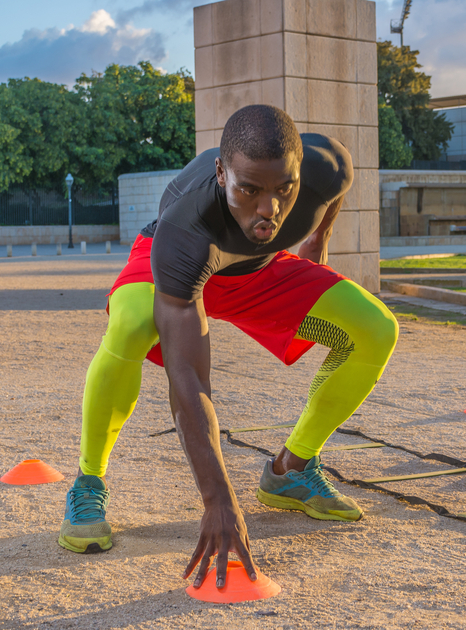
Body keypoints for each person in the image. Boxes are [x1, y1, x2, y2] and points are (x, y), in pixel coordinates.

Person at [57, 105, 399, 590]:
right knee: (131, 325)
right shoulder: (184, 226)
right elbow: (188, 378)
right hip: (181, 264)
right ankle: (88, 482)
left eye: (285, 189)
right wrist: (218, 498)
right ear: (221, 174)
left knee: (376, 328)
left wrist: (317, 236)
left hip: (256, 268)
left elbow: (332, 190)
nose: (270, 209)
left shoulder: (326, 168)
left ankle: (291, 470)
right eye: (249, 190)